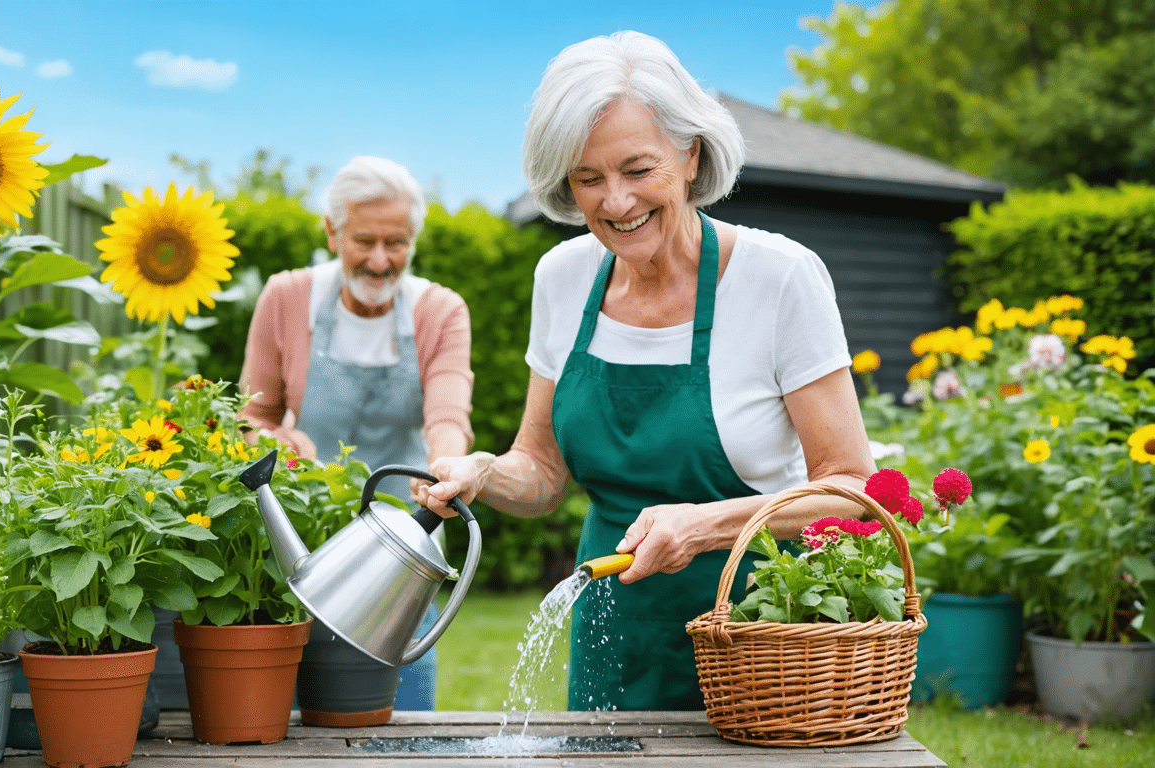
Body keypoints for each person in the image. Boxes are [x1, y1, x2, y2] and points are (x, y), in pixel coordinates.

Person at [416, 32, 875, 712]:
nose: (616, 203)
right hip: (612, 624)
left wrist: (702, 526)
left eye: (637, 169)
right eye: (588, 179)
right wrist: (482, 471)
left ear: (690, 154)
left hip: (756, 631)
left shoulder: (779, 278)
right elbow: (541, 471)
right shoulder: (563, 276)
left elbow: (851, 489)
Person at [240, 155, 474, 710]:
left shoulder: (440, 311)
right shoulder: (288, 298)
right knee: (301, 718)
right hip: (310, 538)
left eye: (396, 243)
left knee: (400, 711)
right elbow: (251, 415)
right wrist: (276, 444)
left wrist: (446, 466)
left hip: (403, 546)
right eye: (363, 240)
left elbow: (447, 416)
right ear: (331, 230)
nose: (378, 259)